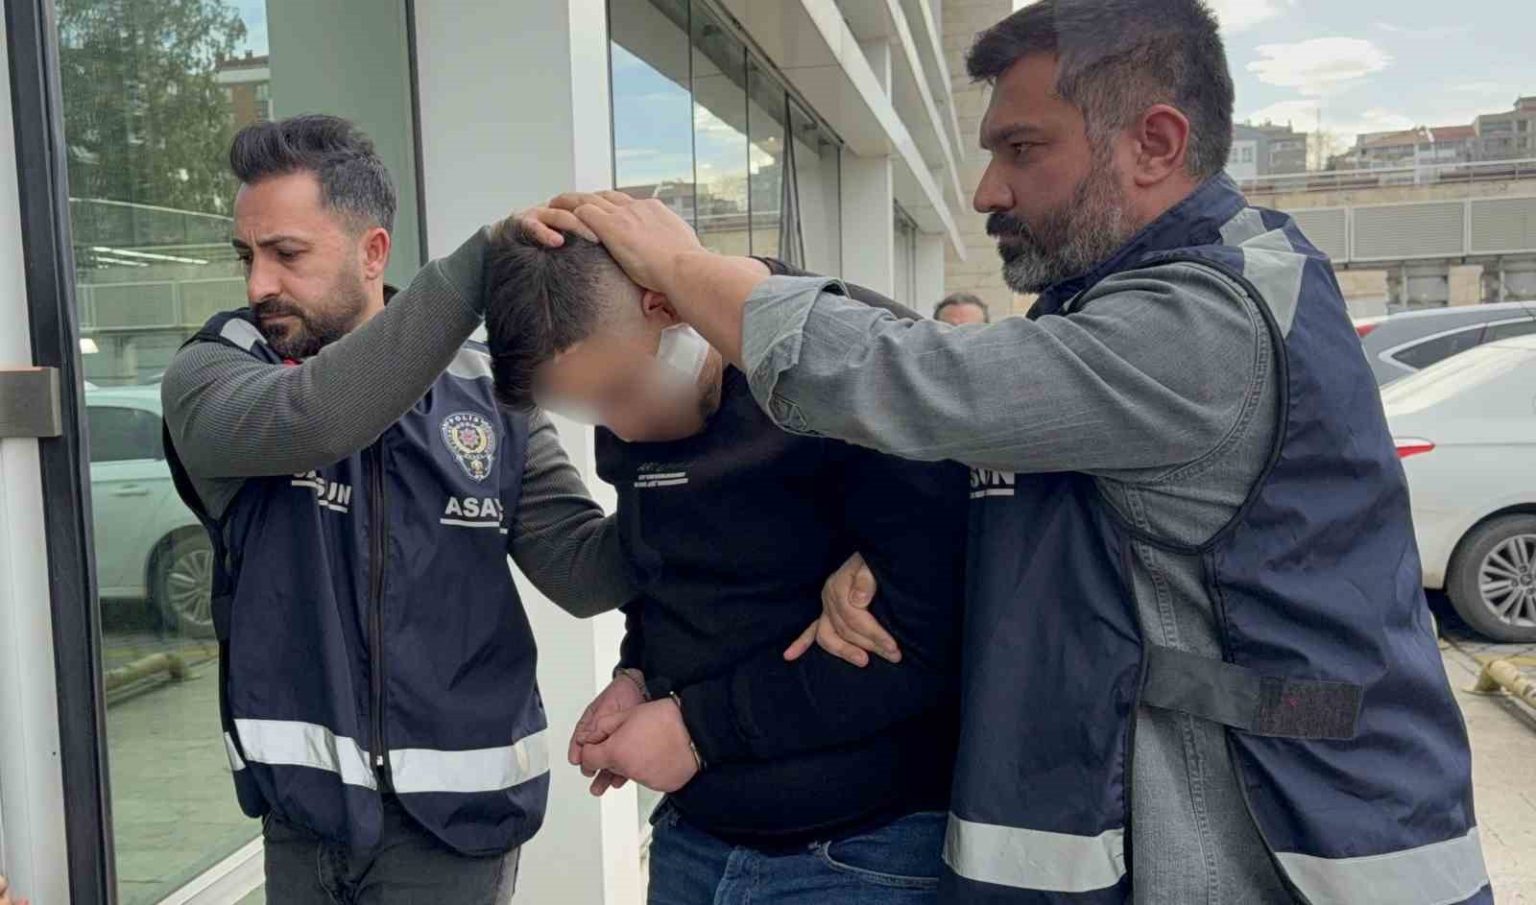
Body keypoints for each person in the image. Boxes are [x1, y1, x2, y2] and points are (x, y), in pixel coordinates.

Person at [540, 0, 1491, 902]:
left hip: (1281, 854)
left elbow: (921, 381)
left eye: (1023, 149)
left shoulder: (1207, 321)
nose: (987, 189)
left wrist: (686, 268)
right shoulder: (1114, 301)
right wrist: (904, 541)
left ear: (1156, 144)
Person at [159, 115, 639, 902]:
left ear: (373, 252)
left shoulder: (486, 389)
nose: (257, 285)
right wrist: (481, 263)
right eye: (247, 256)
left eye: (286, 254)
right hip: (302, 821)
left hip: (455, 833)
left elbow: (586, 572)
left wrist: (676, 437)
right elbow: (319, 419)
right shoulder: (216, 373)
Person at [480, 220, 970, 904]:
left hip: (857, 849)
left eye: (621, 392)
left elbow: (919, 639)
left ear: (667, 307)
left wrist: (696, 729)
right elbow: (663, 566)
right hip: (695, 838)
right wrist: (640, 672)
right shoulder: (630, 411)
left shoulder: (834, 368)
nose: (620, 429)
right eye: (589, 410)